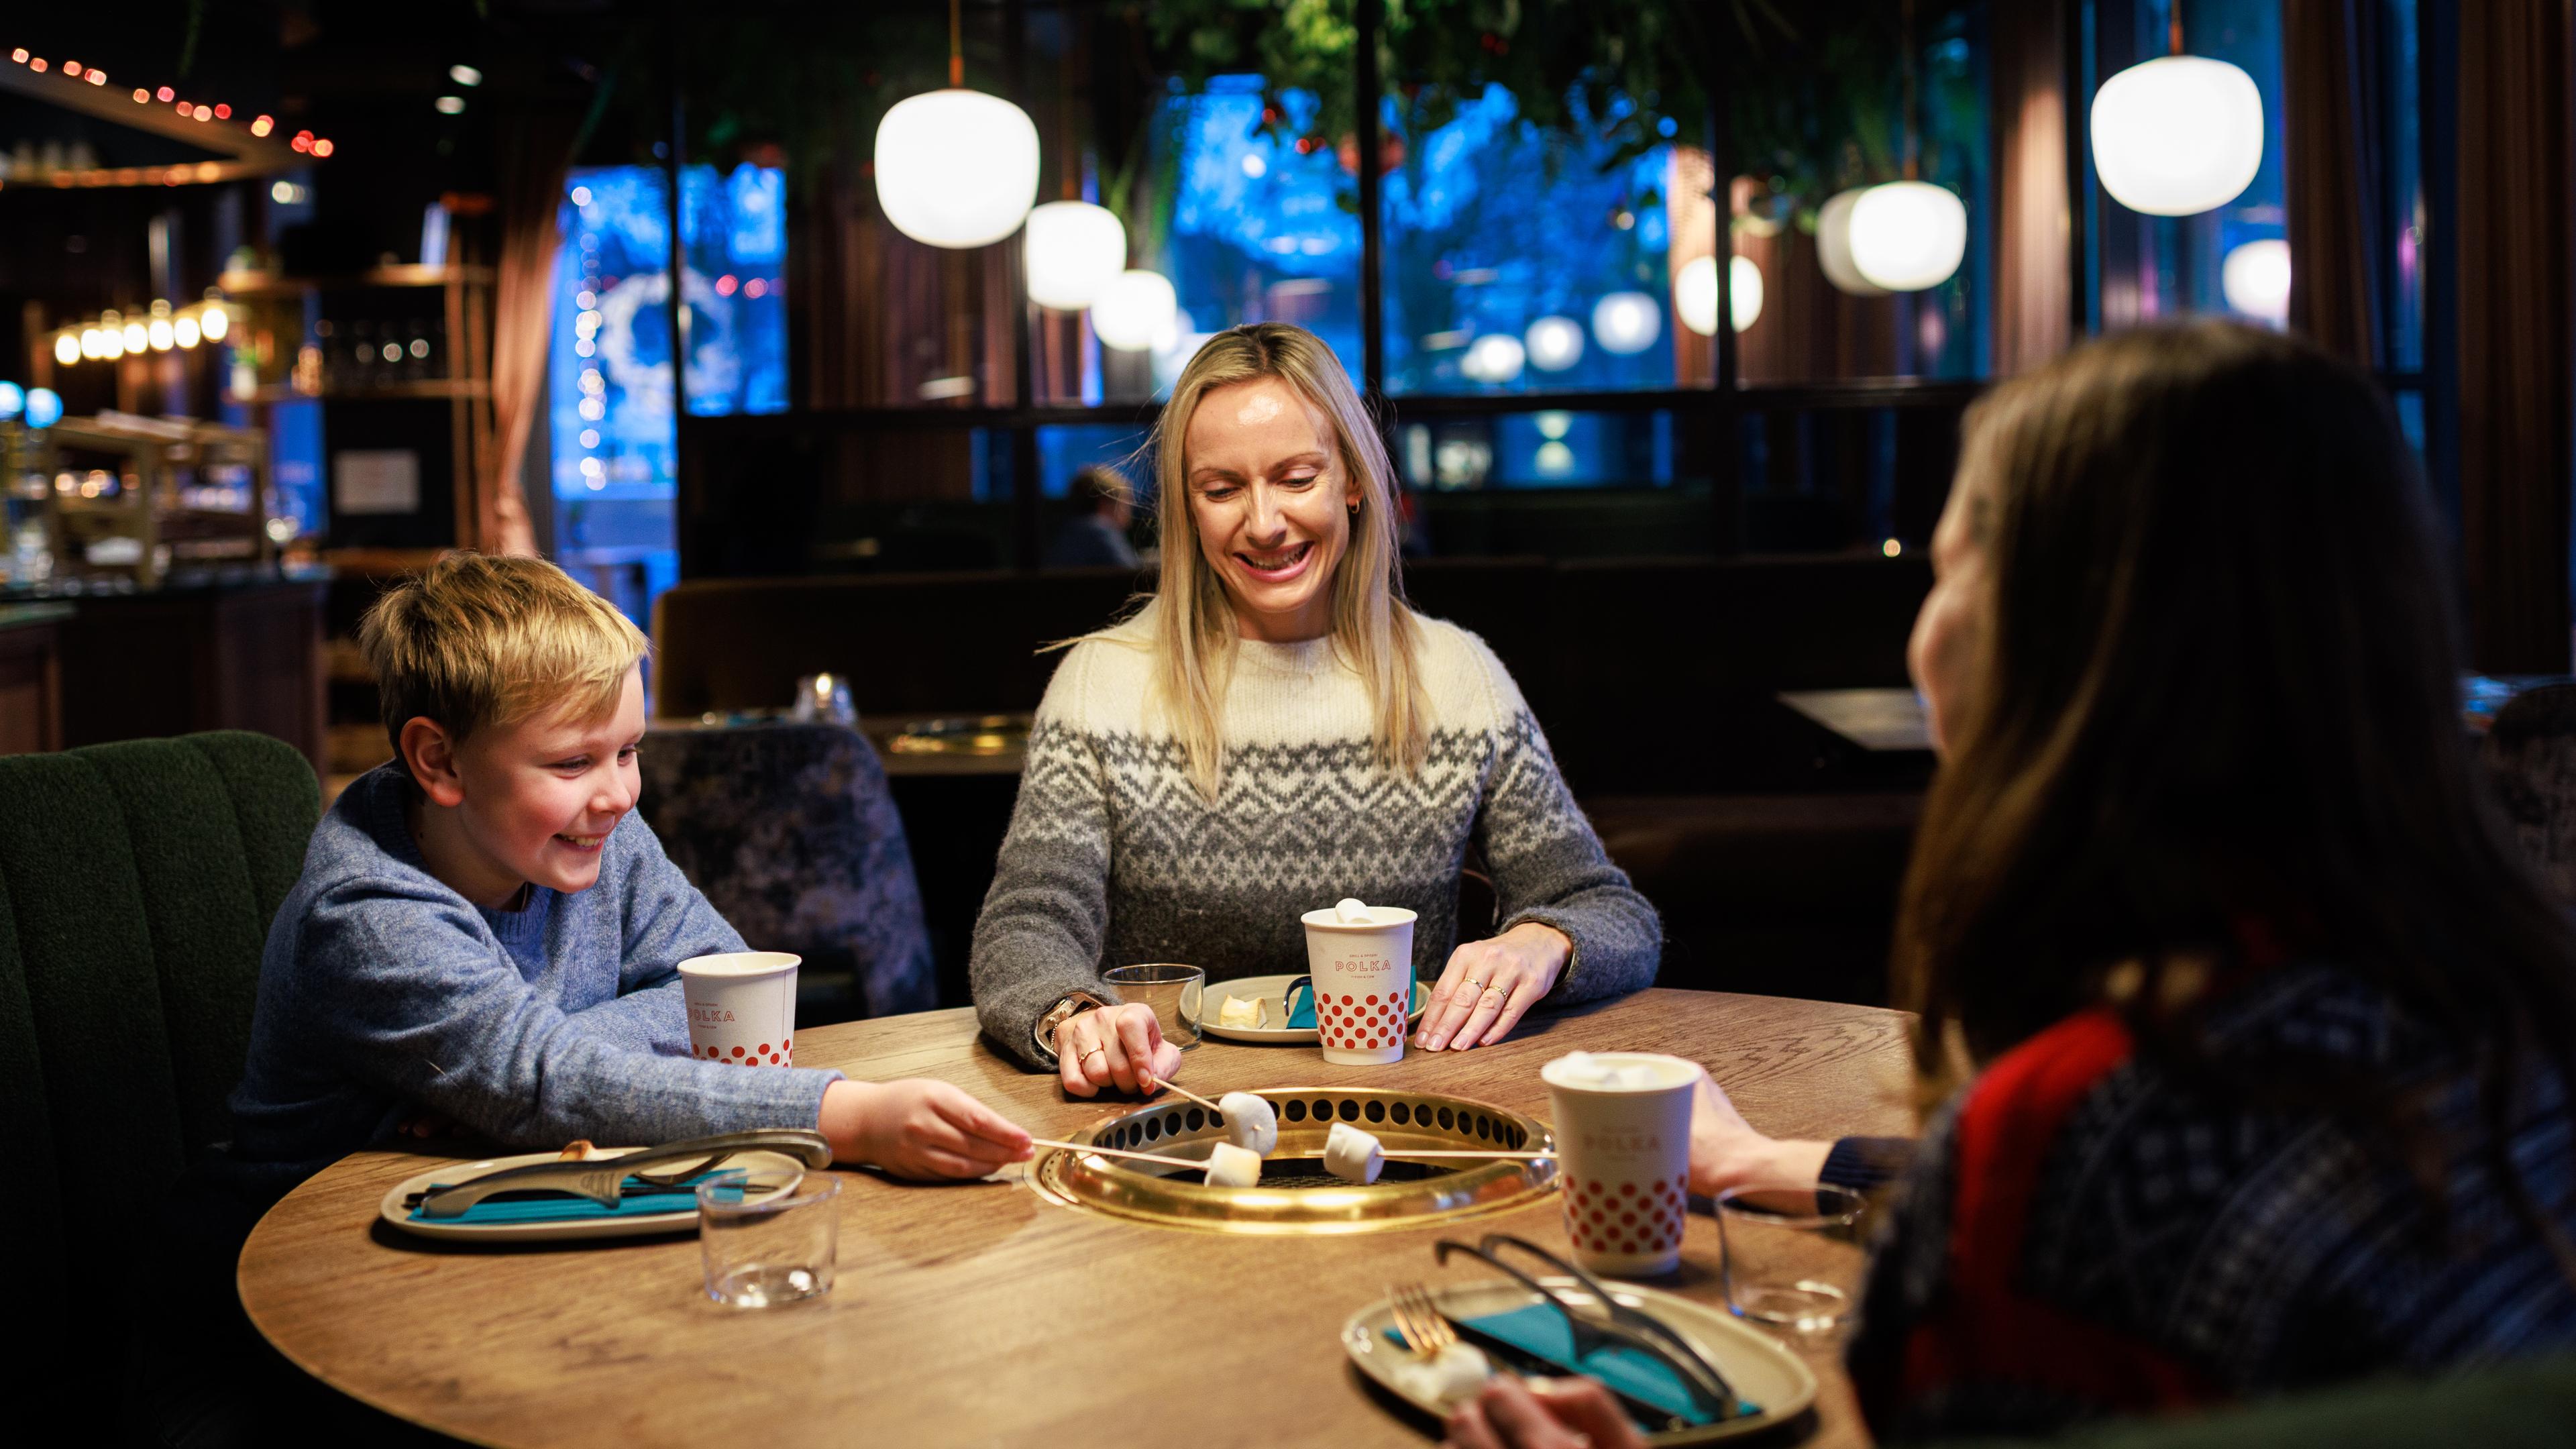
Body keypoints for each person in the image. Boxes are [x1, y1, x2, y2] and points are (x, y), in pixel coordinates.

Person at [1448, 321, 2576, 1448]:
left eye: (1943, 571)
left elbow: (2081, 1205)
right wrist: (1775, 1165)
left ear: (2059, 649)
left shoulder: (2071, 1146)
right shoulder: (2508, 1011)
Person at [971, 322, 1659, 1095]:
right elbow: (1027, 926)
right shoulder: (1100, 684)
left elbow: (1605, 908)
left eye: (1297, 478)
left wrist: (1542, 941)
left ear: (1354, 481)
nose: (1264, 523)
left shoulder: (1457, 674)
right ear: (1188, 508)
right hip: (1171, 1110)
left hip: (1410, 1109)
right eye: (1222, 489)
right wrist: (1073, 1014)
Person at [229, 553, 1032, 1183]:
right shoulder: (368, 915)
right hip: (314, 1258)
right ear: (440, 761)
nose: (618, 794)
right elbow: (548, 1086)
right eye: (573, 762)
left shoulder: (590, 830)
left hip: (511, 1206)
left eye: (628, 751)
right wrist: (849, 1118)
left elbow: (726, 988)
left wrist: (535, 1071)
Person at [1044, 465, 1142, 568]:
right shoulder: (1101, 531)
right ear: (1105, 504)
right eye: (1126, 503)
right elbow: (1130, 573)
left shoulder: (1071, 529)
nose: (1130, 511)